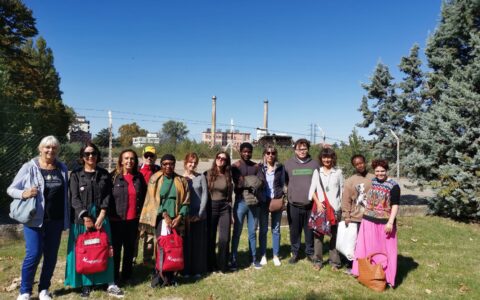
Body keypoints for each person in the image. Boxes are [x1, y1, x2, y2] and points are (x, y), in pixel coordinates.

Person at [8, 136, 69, 300]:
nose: (50, 150)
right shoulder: (29, 167)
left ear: (57, 150)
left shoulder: (62, 168)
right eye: (47, 147)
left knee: (51, 256)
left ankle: (44, 289)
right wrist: (23, 193)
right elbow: (11, 189)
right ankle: (25, 291)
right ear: (40, 149)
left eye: (54, 148)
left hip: (55, 220)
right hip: (35, 220)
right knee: (33, 254)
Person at [65, 142, 123, 298]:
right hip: (81, 220)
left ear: (97, 156)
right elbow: (74, 198)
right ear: (82, 157)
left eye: (94, 153)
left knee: (105, 249)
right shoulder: (76, 175)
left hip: (100, 218)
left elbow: (107, 196)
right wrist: (85, 216)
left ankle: (110, 282)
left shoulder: (104, 174)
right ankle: (86, 283)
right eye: (87, 154)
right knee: (85, 251)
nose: (91, 156)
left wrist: (103, 214)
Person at [139, 154, 189, 287]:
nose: (168, 166)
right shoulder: (155, 179)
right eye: (165, 163)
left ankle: (172, 278)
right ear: (161, 165)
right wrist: (165, 215)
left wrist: (179, 216)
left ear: (174, 164)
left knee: (175, 248)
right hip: (162, 219)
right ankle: (159, 277)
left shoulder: (181, 180)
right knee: (162, 248)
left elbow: (186, 201)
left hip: (177, 220)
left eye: (171, 163)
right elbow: (153, 200)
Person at [352, 159, 400, 287]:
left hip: (385, 223)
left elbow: (395, 205)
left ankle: (387, 277)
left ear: (386, 170)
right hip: (368, 220)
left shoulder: (394, 186)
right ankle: (365, 272)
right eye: (377, 171)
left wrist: (390, 222)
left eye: (382, 171)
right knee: (366, 247)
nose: (380, 173)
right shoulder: (372, 182)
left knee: (386, 250)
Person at [110, 149, 146, 283]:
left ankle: (127, 275)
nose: (129, 161)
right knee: (116, 250)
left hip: (133, 221)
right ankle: (114, 276)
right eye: (126, 158)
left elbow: (143, 197)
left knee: (130, 249)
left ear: (135, 161)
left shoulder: (139, 177)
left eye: (132, 158)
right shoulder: (113, 177)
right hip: (116, 220)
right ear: (121, 160)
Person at [284, 138, 320, 264]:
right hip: (294, 204)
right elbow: (286, 181)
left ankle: (309, 252)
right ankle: (295, 253)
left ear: (308, 149)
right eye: (300, 149)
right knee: (294, 230)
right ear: (295, 150)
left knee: (309, 229)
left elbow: (318, 184)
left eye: (305, 148)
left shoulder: (315, 164)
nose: (302, 151)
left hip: (310, 205)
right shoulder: (288, 164)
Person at [308, 148, 344, 270]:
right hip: (321, 209)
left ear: (332, 158)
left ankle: (334, 262)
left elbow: (342, 190)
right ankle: (318, 261)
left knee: (334, 236)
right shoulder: (317, 172)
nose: (327, 159)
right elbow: (312, 190)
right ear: (321, 158)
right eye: (324, 157)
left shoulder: (338, 172)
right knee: (318, 236)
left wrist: (342, 207)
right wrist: (318, 203)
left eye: (329, 157)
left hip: (335, 209)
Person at [230, 142, 262, 270]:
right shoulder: (235, 166)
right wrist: (252, 180)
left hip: (254, 203)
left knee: (252, 232)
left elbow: (261, 182)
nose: (247, 154)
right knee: (236, 232)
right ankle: (233, 259)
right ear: (240, 152)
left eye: (249, 151)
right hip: (240, 202)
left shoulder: (256, 166)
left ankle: (254, 258)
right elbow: (238, 183)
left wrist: (247, 181)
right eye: (244, 151)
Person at [341, 154, 374, 274]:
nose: (360, 165)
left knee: (368, 243)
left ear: (365, 162)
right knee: (353, 243)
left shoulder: (373, 178)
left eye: (361, 163)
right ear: (354, 166)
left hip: (371, 217)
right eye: (356, 164)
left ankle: (367, 264)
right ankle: (352, 265)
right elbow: (346, 200)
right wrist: (346, 215)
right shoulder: (350, 181)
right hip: (355, 218)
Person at [257, 145, 285, 267]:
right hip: (263, 202)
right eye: (268, 153)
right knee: (263, 229)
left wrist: (283, 196)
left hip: (277, 200)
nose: (270, 155)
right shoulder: (259, 168)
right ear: (264, 154)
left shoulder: (280, 168)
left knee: (276, 229)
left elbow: (283, 183)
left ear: (275, 154)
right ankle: (263, 255)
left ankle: (275, 255)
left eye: (273, 153)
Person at [205, 151, 233, 273]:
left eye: (224, 158)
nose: (220, 160)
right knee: (210, 237)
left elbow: (230, 196)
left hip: (224, 208)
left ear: (226, 162)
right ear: (215, 158)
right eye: (219, 157)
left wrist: (231, 211)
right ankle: (211, 264)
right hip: (211, 207)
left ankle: (223, 265)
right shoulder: (207, 174)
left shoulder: (228, 175)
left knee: (225, 238)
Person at [182, 152, 208, 277]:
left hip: (199, 215)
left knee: (198, 243)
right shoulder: (180, 178)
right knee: (186, 243)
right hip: (185, 216)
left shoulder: (201, 177)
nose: (192, 164)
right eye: (190, 162)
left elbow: (204, 196)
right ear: (185, 163)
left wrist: (200, 213)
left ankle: (197, 269)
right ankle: (186, 270)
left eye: (194, 162)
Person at [136, 146, 160, 264]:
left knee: (150, 235)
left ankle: (147, 259)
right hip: (137, 207)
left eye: (152, 156)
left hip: (151, 208)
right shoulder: (136, 169)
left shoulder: (158, 170)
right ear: (142, 156)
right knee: (135, 235)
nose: (149, 158)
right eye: (147, 156)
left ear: (155, 157)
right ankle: (132, 258)